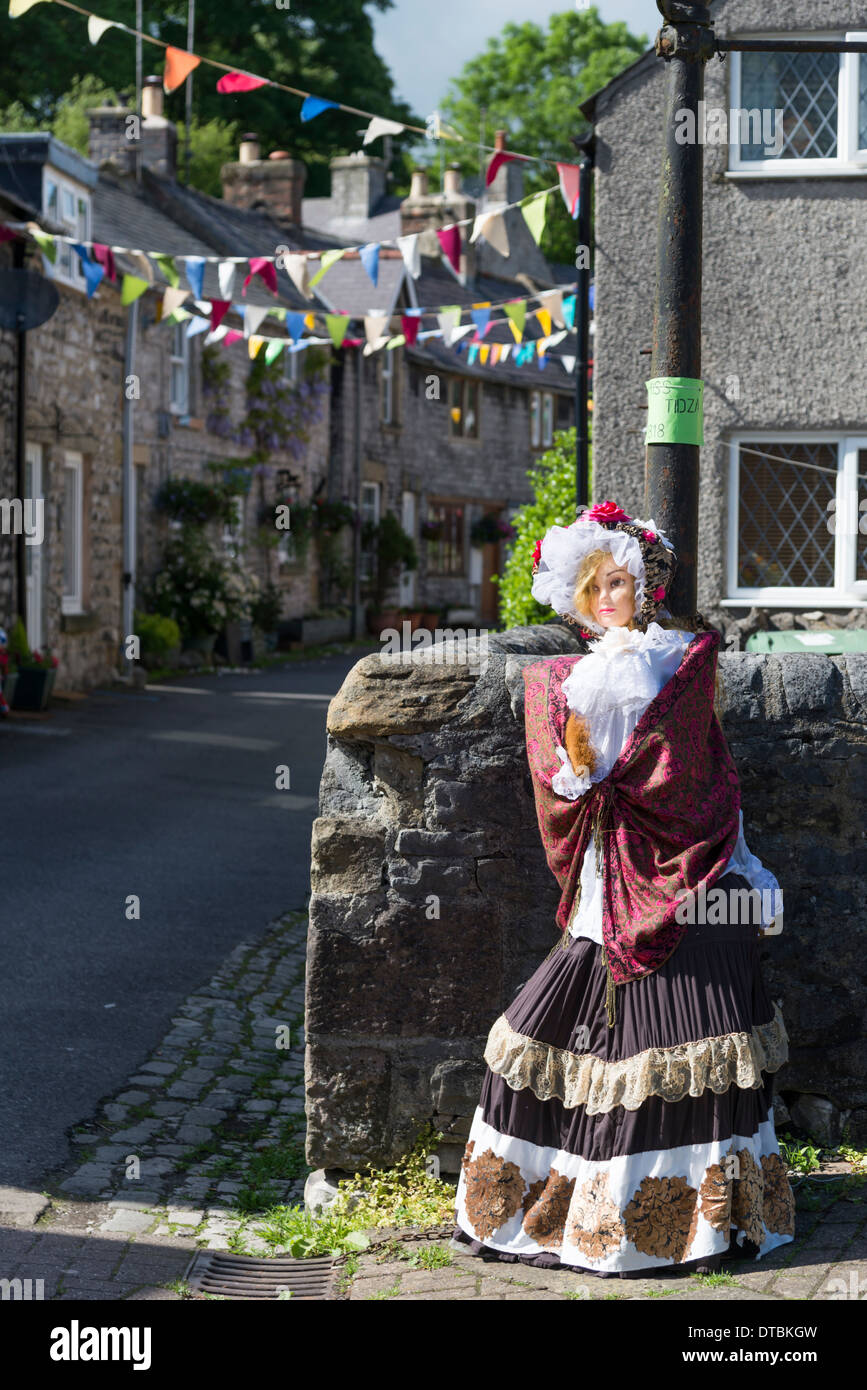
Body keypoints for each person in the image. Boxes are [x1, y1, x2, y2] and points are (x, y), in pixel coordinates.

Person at [452, 500, 795, 1279]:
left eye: (618, 581)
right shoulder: (559, 677)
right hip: (606, 879)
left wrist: (731, 860)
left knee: (701, 1038)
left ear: (644, 584)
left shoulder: (681, 662)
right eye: (592, 585)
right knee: (543, 1021)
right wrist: (574, 774)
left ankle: (693, 1222)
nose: (606, 596)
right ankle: (564, 1203)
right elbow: (558, 775)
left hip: (688, 868)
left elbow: (703, 774)